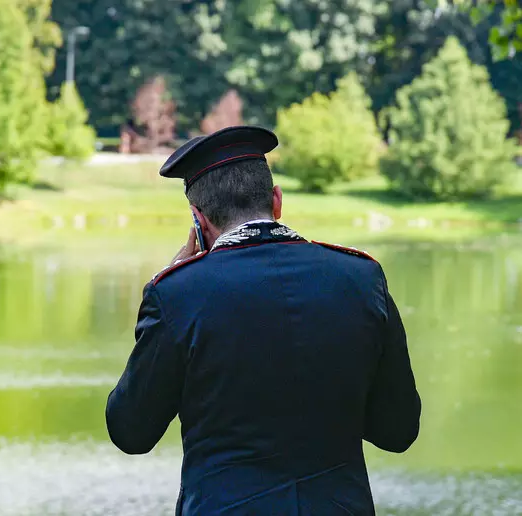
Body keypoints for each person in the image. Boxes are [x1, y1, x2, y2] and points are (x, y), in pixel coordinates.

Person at [105, 126, 421, 515]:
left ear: (199, 220)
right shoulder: (361, 278)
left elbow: (131, 432)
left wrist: (168, 291)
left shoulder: (178, 294)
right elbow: (398, 431)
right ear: (276, 200)